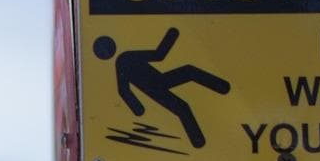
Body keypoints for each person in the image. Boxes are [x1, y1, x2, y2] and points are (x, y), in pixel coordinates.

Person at [93, 27, 230, 148]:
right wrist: (138, 109)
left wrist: (138, 109)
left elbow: (157, 56)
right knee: (183, 103)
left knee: (184, 98)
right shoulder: (125, 58)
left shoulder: (124, 59)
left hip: (159, 83)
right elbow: (158, 55)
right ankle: (199, 141)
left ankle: (222, 88)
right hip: (156, 88)